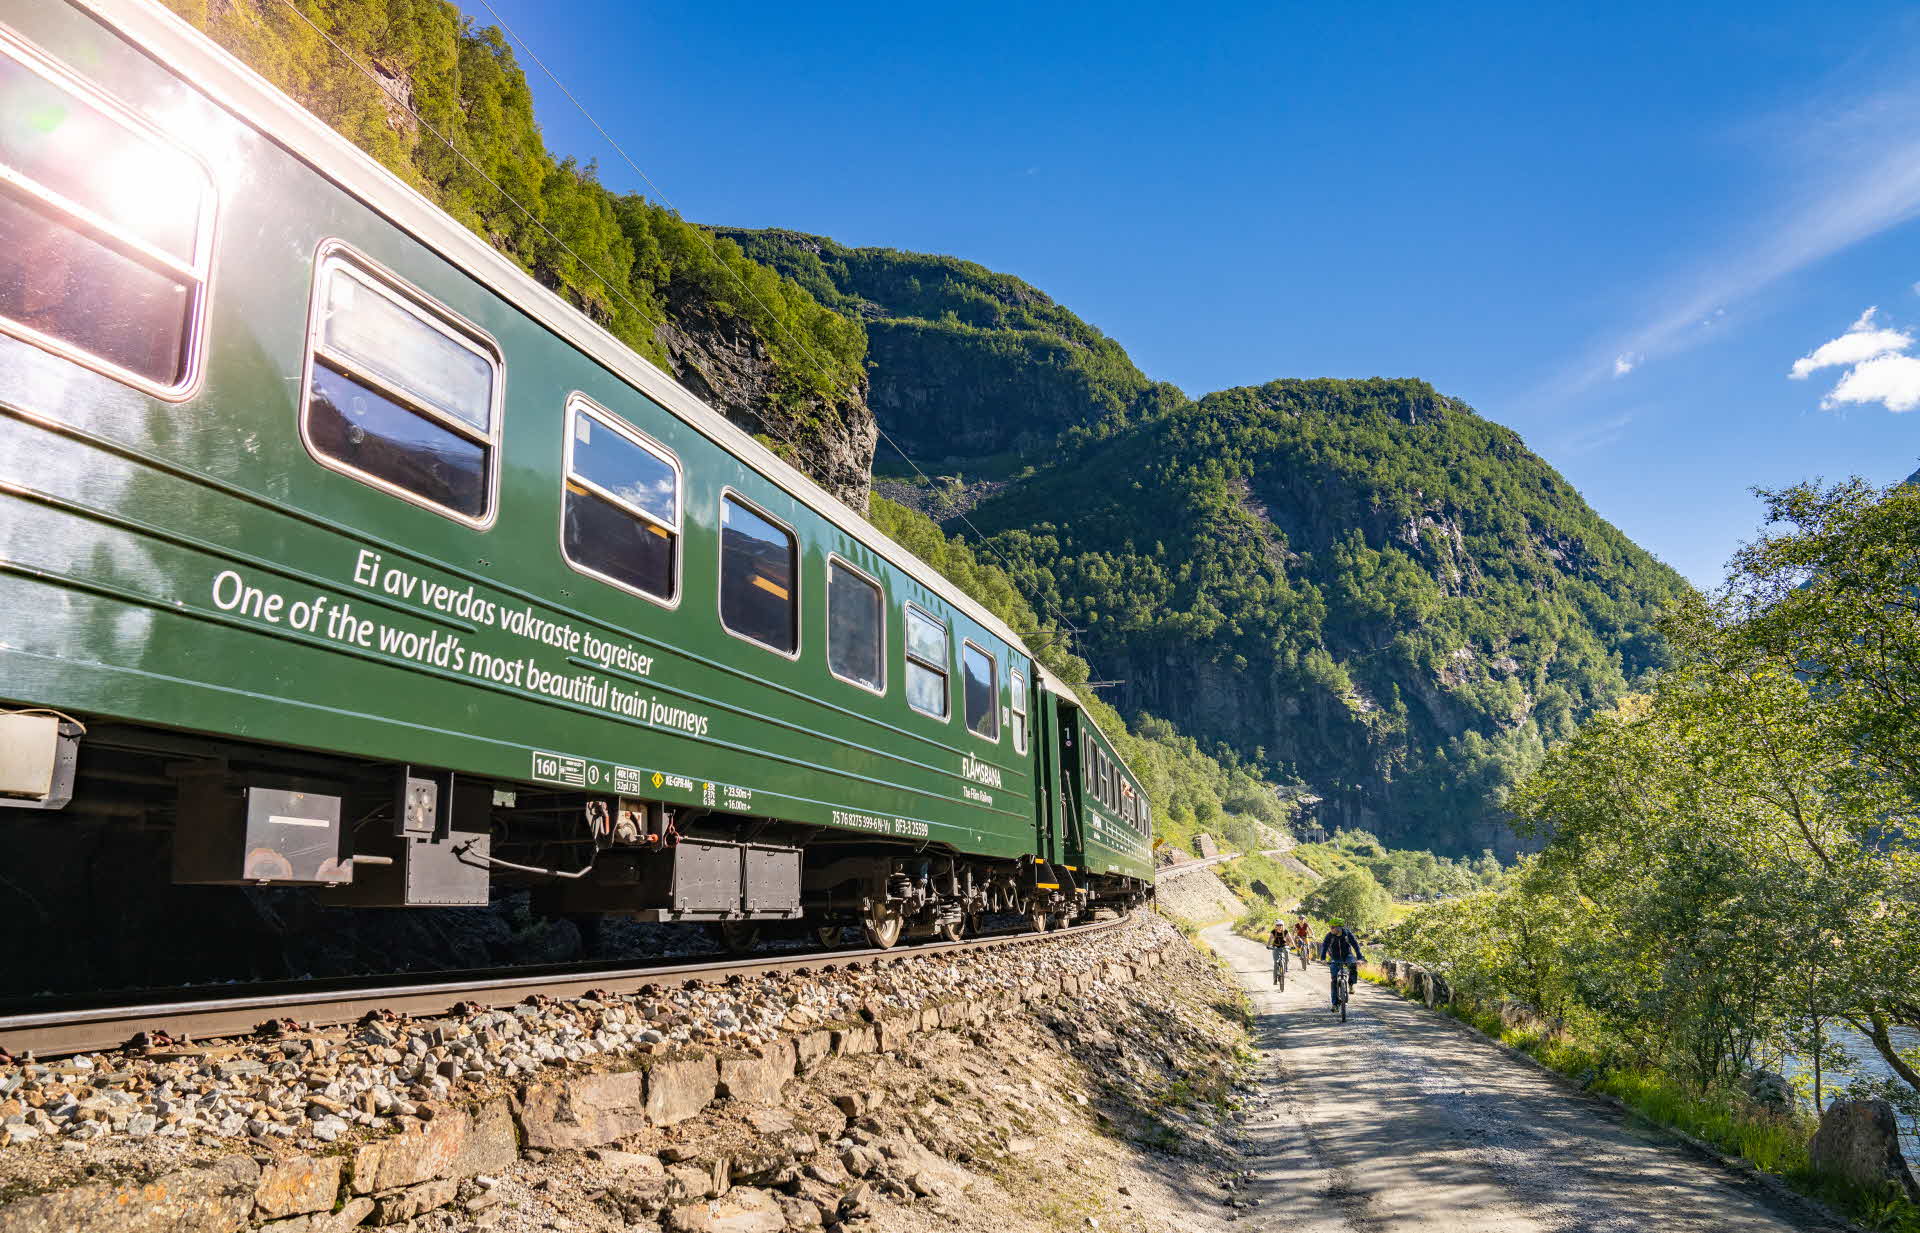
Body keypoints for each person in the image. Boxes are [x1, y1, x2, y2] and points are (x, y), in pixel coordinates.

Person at [1319, 919, 1366, 1010]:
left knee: (1352, 965)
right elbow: (1324, 946)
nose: (1331, 929)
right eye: (1330, 927)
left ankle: (1351, 984)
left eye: (1332, 927)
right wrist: (1323, 958)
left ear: (1339, 927)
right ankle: (1335, 1004)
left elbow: (1355, 945)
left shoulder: (1347, 934)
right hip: (1335, 957)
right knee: (1334, 980)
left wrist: (1360, 957)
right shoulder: (1330, 936)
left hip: (1347, 955)